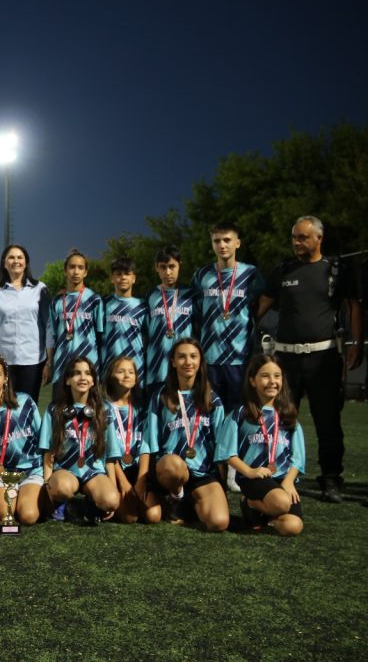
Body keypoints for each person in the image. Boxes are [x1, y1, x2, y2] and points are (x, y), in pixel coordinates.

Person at [258, 215, 363, 503]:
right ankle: (276, 472)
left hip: (323, 358)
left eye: (302, 237)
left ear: (319, 238)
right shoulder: (282, 271)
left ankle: (331, 478)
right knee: (278, 419)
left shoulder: (335, 271)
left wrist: (355, 345)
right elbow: (260, 307)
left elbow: (353, 307)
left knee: (327, 421)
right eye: (294, 237)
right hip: (285, 361)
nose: (296, 242)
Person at [191, 222, 265, 492]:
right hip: (209, 358)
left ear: (237, 243)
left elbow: (261, 304)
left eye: (227, 240)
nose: (222, 245)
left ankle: (235, 472)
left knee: (236, 416)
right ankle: (209, 468)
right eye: (217, 241)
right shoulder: (201, 275)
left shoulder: (251, 274)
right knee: (208, 414)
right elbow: (196, 313)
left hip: (239, 359)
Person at [145, 338, 229, 532]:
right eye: (181, 357)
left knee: (219, 522)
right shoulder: (161, 396)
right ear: (173, 362)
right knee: (174, 465)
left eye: (193, 356)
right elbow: (151, 441)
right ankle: (175, 497)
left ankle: (189, 503)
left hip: (202, 472)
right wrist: (146, 479)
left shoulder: (212, 399)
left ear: (200, 361)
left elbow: (221, 445)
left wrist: (222, 484)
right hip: (170, 471)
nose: (188, 362)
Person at [215, 354, 304, 536]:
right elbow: (226, 453)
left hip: (282, 479)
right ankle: (250, 503)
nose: (272, 381)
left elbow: (298, 459)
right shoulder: (241, 414)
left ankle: (264, 517)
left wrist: (288, 481)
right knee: (282, 502)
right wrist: (249, 471)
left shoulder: (288, 415)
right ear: (252, 381)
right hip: (254, 478)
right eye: (265, 376)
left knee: (293, 526)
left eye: (277, 376)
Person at [40, 358, 121, 524]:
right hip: (65, 470)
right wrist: (47, 485)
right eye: (77, 373)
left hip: (93, 471)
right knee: (62, 487)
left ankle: (90, 502)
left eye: (88, 373)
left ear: (93, 381)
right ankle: (62, 503)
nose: (83, 378)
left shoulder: (104, 409)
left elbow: (110, 456)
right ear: (68, 380)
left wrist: (113, 487)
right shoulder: (55, 409)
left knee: (111, 500)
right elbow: (48, 451)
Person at [0, 352, 44, 527]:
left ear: (5, 378)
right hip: (4, 473)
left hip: (31, 470)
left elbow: (42, 438)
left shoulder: (25, 402)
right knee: (2, 514)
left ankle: (42, 501)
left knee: (28, 516)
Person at [0, 244, 49, 402]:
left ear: (26, 263)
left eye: (20, 257)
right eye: (11, 257)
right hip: (3, 361)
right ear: (4, 263)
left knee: (28, 406)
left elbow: (48, 326)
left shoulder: (40, 289)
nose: (16, 261)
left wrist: (49, 362)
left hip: (33, 360)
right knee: (4, 406)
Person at [104, 355, 160, 524]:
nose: (127, 375)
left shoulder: (142, 407)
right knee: (129, 518)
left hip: (137, 470)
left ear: (136, 379)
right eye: (121, 371)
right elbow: (108, 451)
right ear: (111, 376)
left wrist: (141, 480)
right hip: (114, 469)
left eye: (131, 372)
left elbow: (145, 445)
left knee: (154, 516)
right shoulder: (103, 407)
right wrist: (123, 483)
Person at [43, 249, 103, 402]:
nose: (76, 271)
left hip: (88, 367)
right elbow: (51, 336)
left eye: (80, 267)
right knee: (59, 410)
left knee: (89, 411)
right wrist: (49, 363)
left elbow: (100, 336)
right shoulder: (57, 302)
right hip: (62, 366)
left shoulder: (94, 299)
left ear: (85, 272)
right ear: (65, 270)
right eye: (72, 267)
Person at [144, 245, 199, 396]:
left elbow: (198, 330)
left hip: (183, 368)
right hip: (157, 368)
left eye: (172, 266)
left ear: (179, 265)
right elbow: (145, 333)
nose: (168, 272)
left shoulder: (191, 295)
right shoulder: (151, 295)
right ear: (157, 267)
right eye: (163, 267)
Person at [101, 257, 146, 388]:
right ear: (112, 278)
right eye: (119, 274)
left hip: (135, 369)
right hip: (109, 369)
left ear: (134, 278)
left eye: (127, 273)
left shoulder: (142, 306)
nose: (123, 278)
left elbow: (147, 339)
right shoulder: (103, 304)